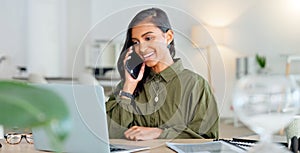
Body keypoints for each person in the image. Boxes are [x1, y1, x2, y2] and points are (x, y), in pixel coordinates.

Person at [106, 7, 219, 141]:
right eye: (136, 42)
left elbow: (207, 138)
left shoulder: (196, 85)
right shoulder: (127, 85)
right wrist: (128, 88)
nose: (141, 48)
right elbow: (108, 133)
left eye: (148, 38)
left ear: (168, 37)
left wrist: (160, 133)